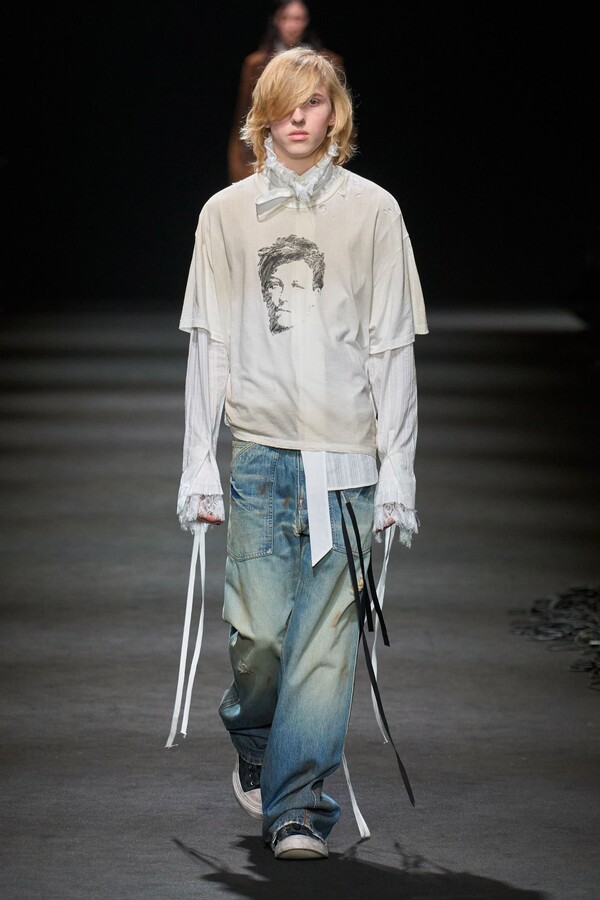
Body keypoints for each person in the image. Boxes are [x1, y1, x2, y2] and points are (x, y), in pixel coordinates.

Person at [171, 46, 428, 861]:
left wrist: (399, 474)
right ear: (263, 113)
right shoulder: (225, 214)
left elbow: (391, 349)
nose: (298, 114)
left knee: (323, 652)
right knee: (259, 642)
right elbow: (210, 346)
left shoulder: (375, 211)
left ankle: (296, 810)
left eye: (314, 101)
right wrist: (198, 463)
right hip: (259, 459)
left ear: (334, 113)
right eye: (284, 100)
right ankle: (257, 741)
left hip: (346, 463)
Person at [227, 0, 343, 184]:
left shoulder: (329, 63)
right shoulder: (256, 65)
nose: (291, 25)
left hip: (318, 164)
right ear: (275, 20)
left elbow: (341, 118)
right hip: (264, 162)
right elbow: (244, 118)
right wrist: (241, 169)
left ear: (307, 21)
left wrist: (337, 164)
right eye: (285, 18)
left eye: (297, 19)